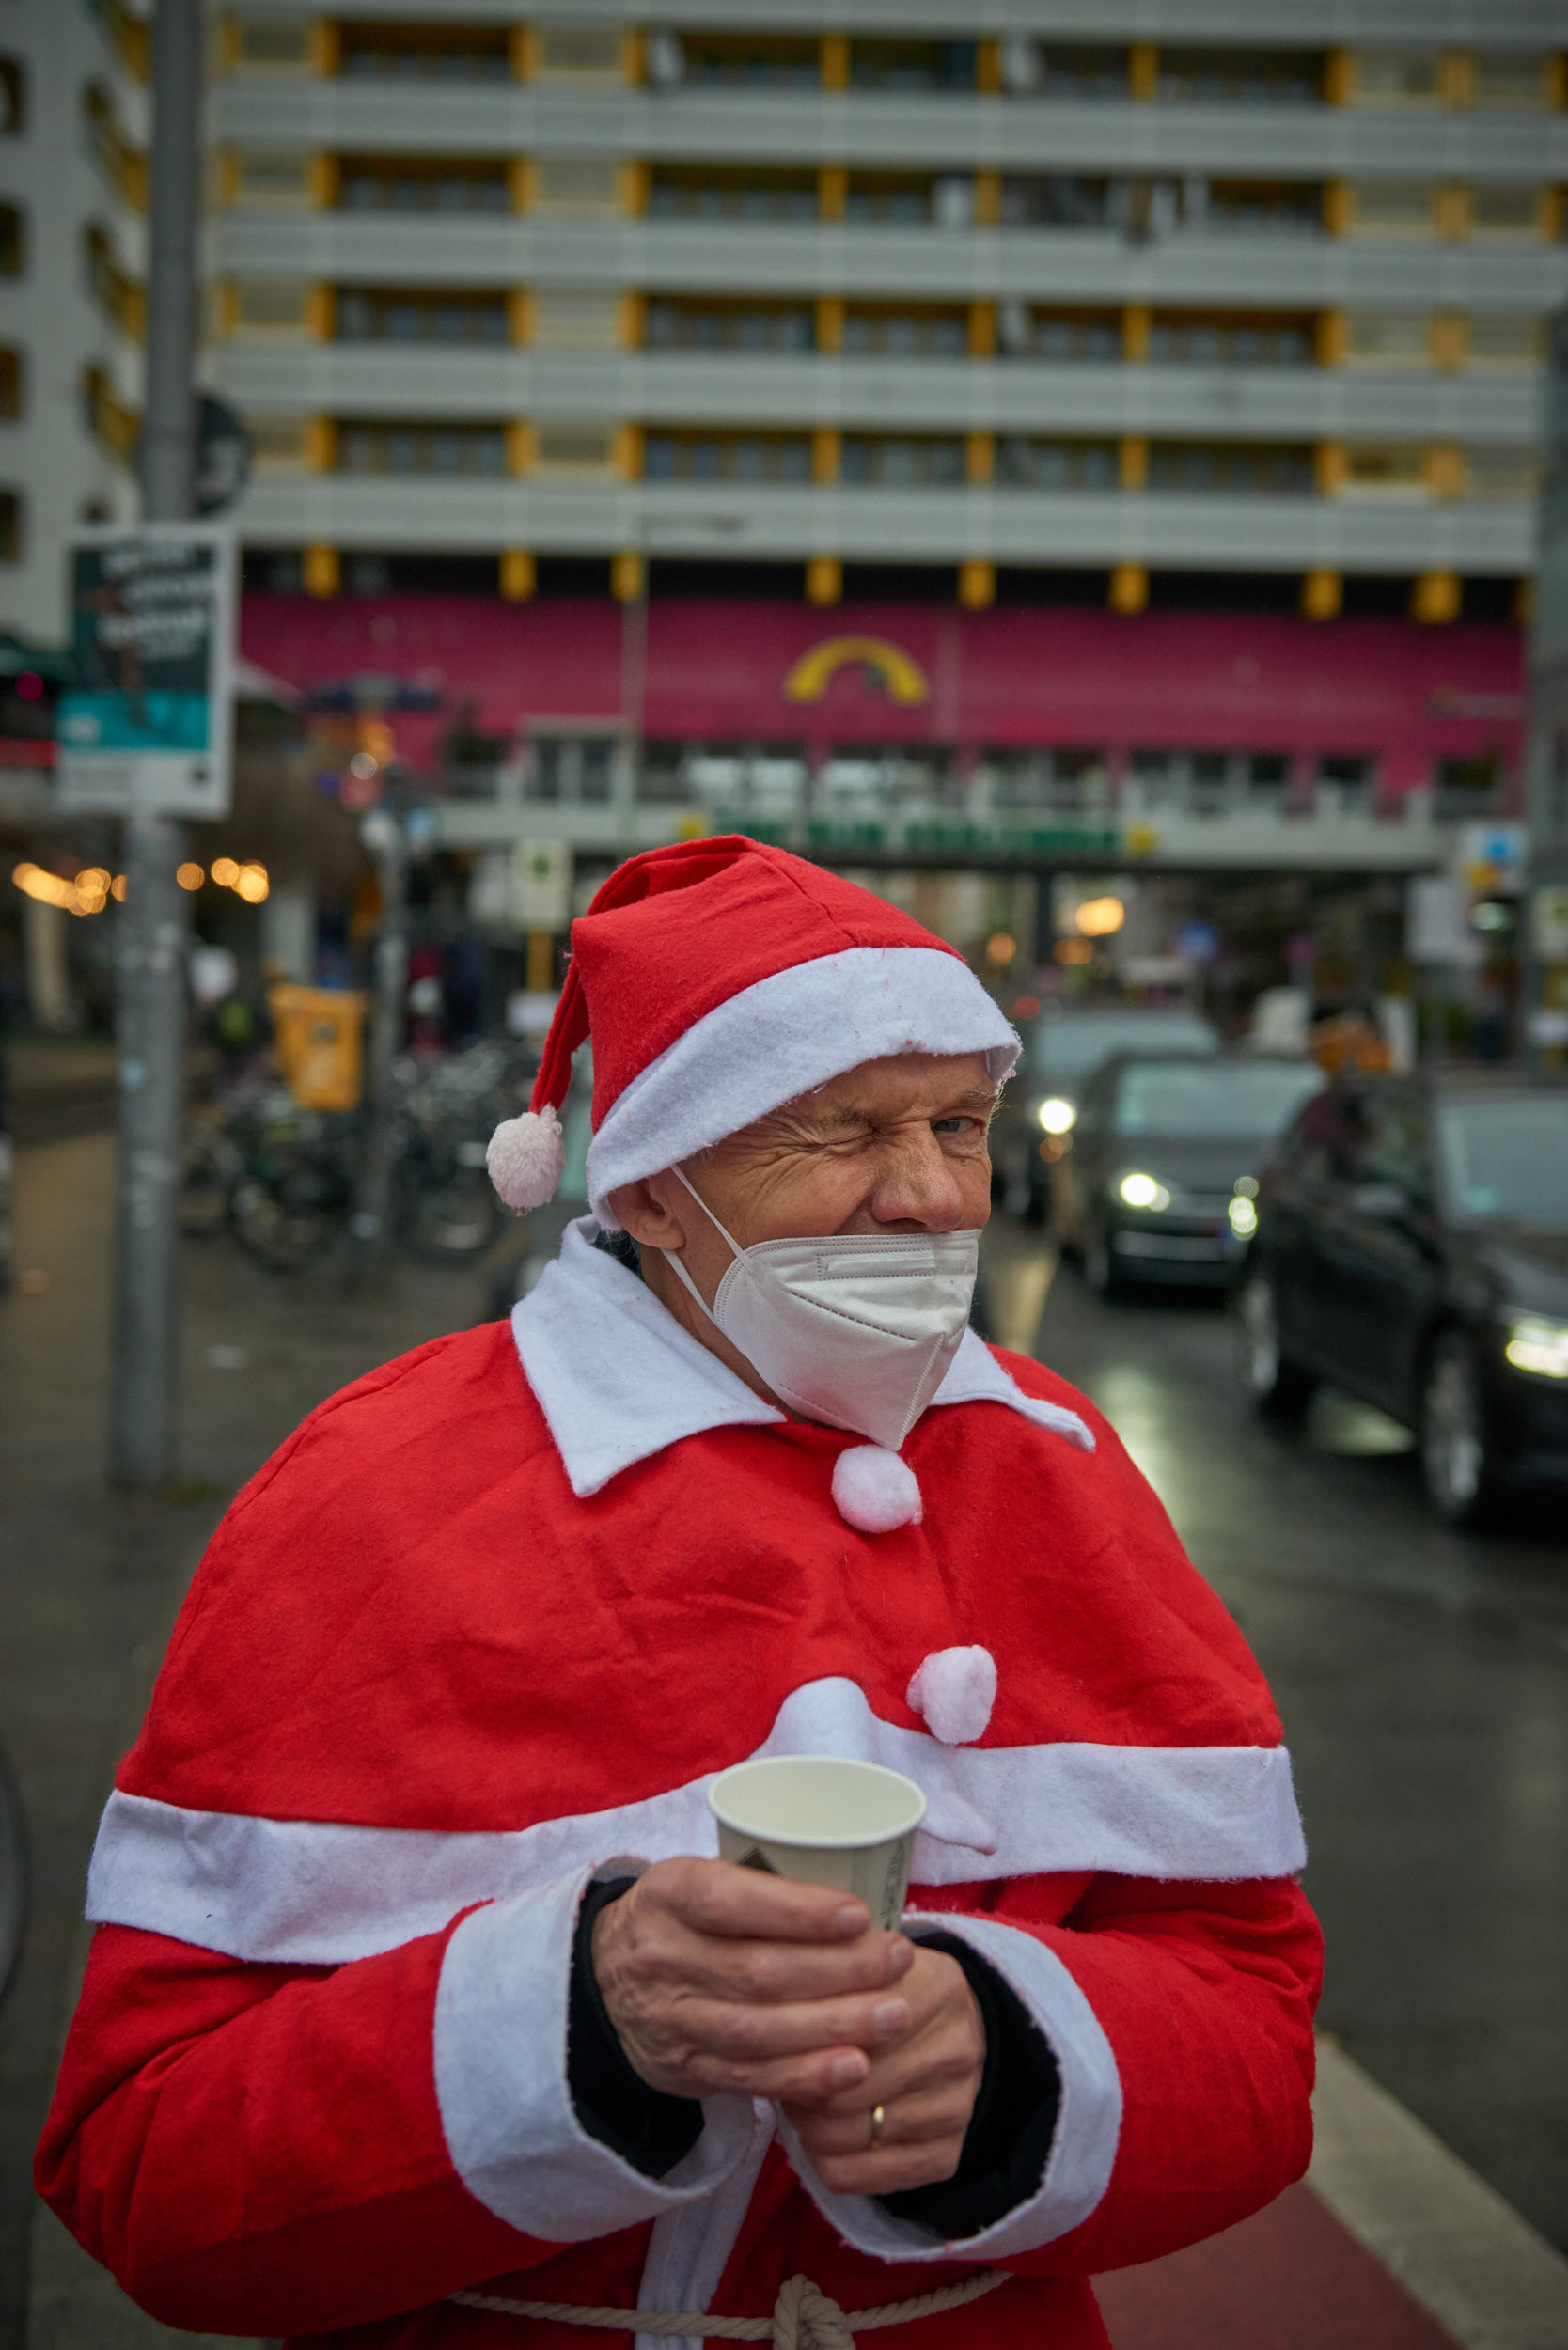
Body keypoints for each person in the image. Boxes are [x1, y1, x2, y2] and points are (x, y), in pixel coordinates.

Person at [38, 839, 1321, 2348]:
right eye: (837, 1133)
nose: (924, 1197)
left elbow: (1252, 2032)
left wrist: (1017, 2067)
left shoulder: (1069, 1474)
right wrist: (576, 2023)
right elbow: (146, 2168)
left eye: (959, 1125)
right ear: (650, 1191)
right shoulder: (369, 1488)